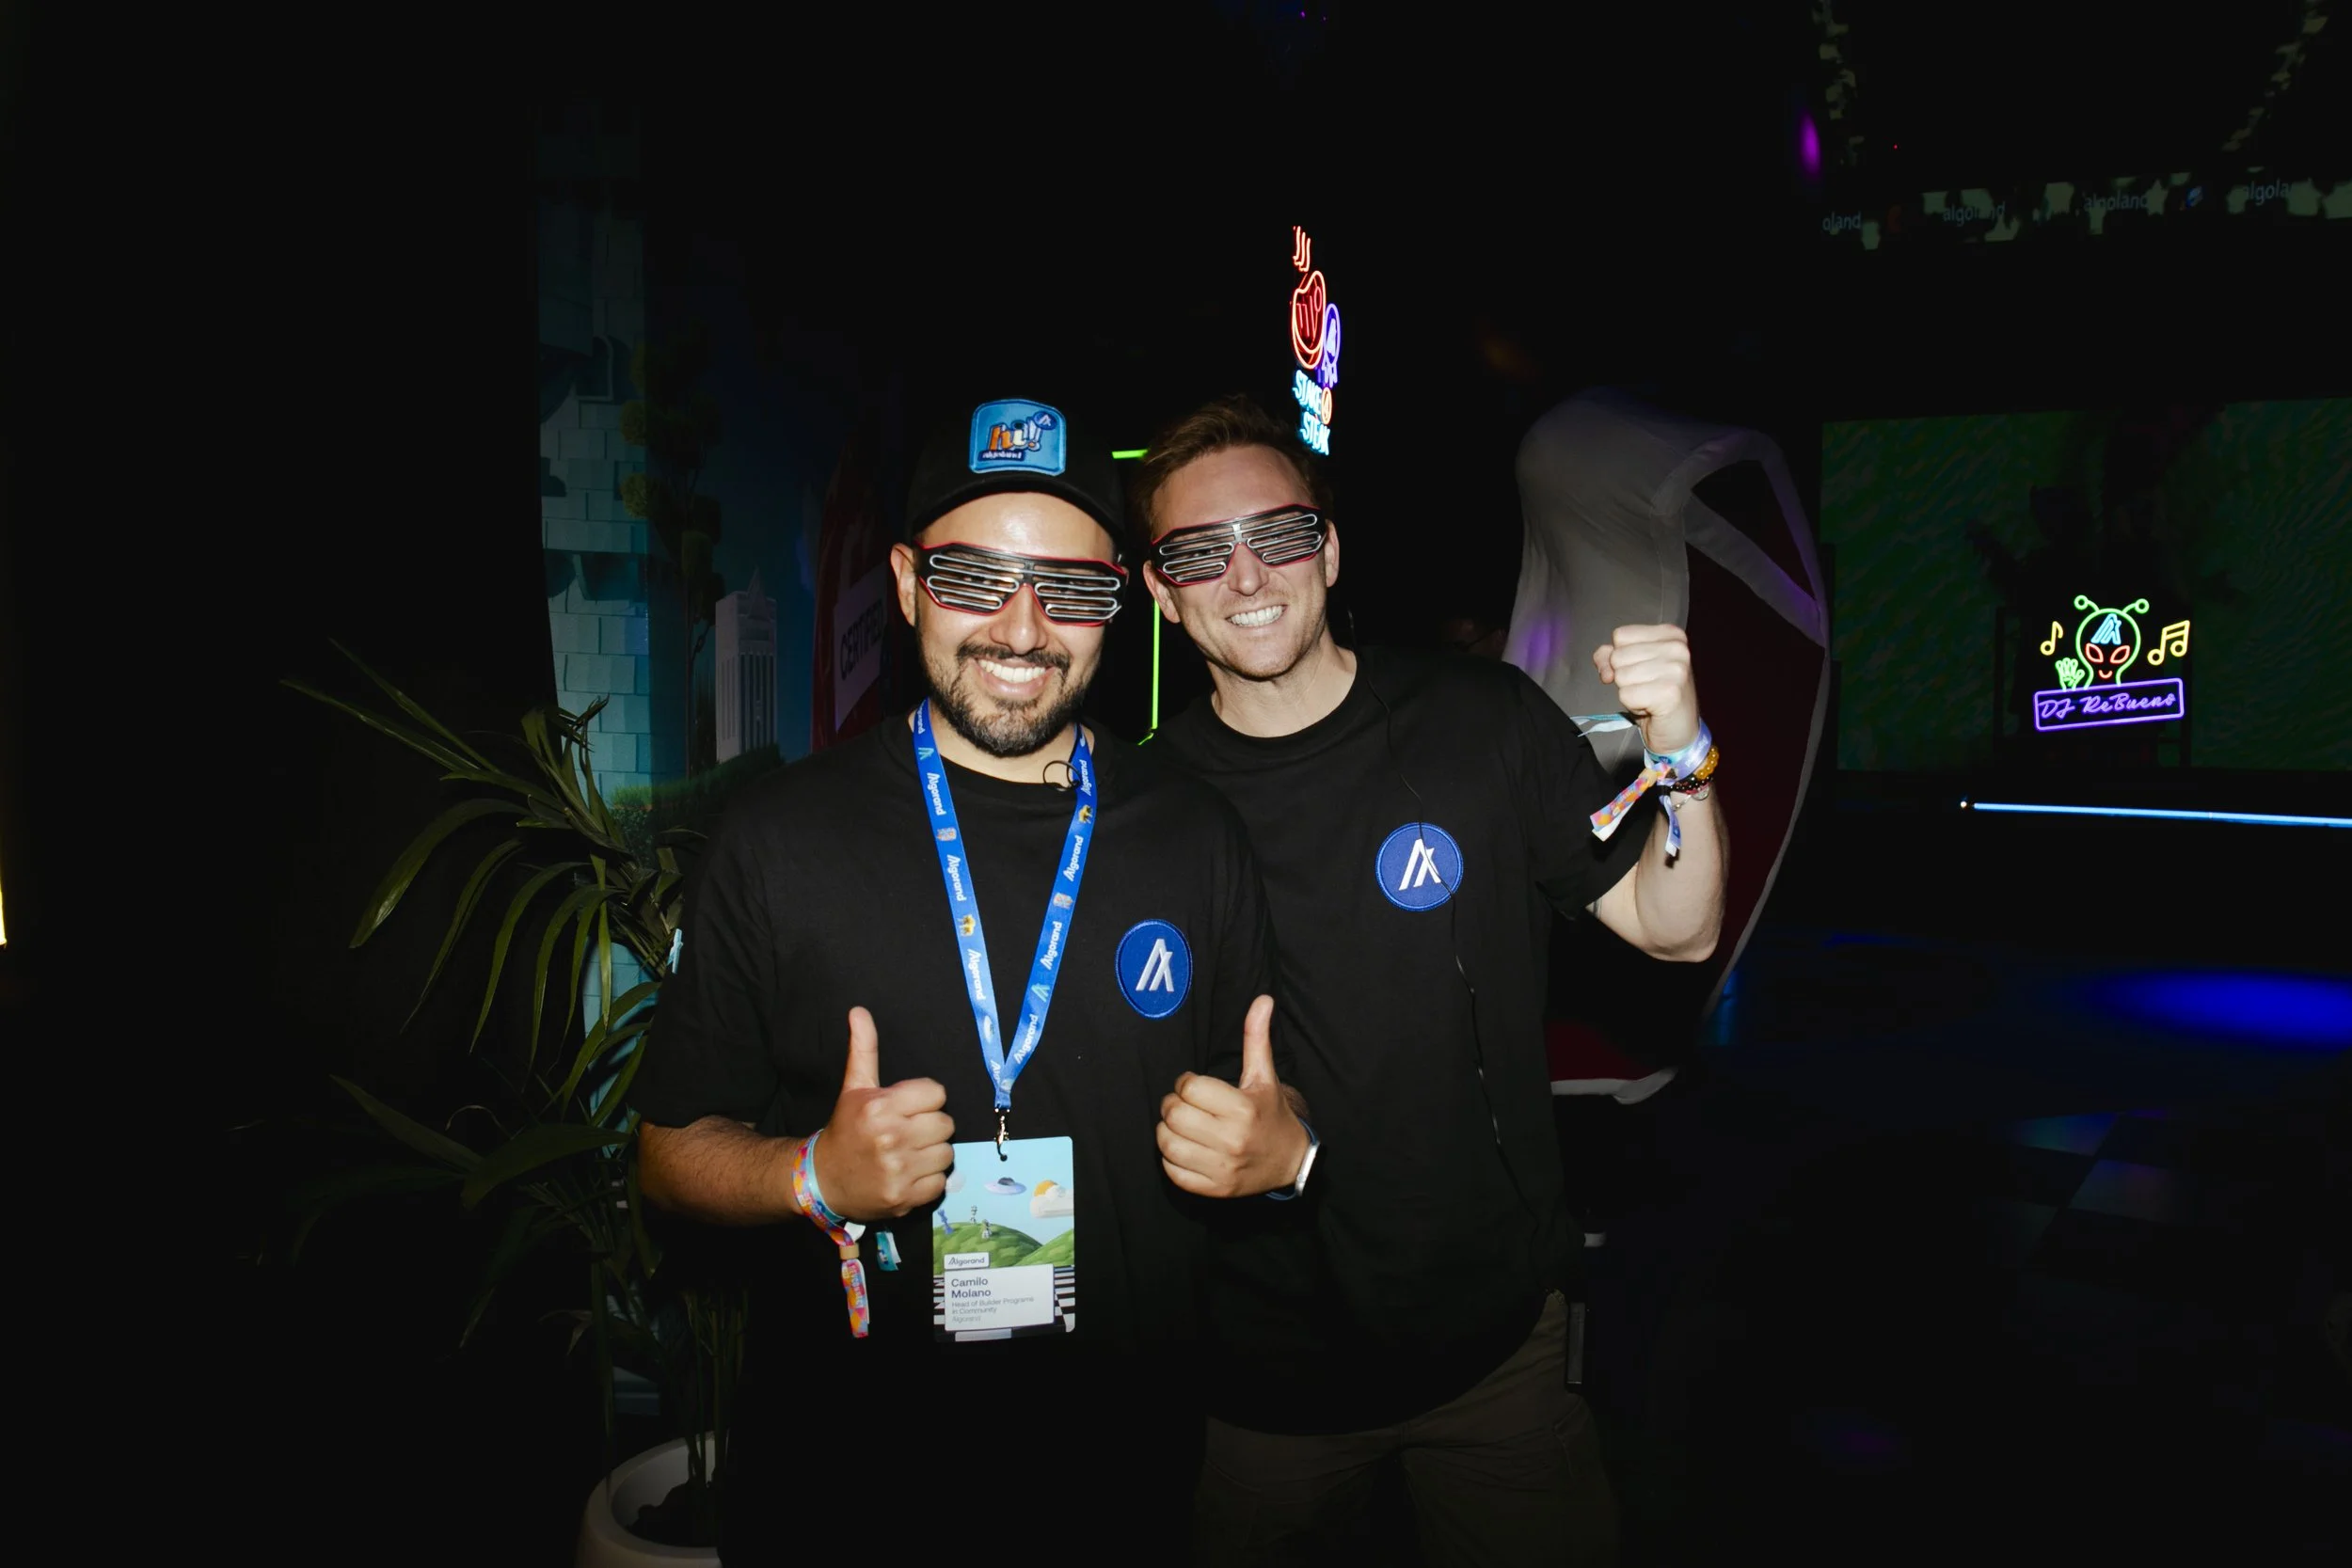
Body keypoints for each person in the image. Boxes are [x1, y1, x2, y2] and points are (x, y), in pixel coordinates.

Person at [632, 395, 1313, 1563]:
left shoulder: (1195, 833)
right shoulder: (779, 837)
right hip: (848, 1484)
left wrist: (1278, 1154)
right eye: (971, 577)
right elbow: (664, 1152)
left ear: (1119, 604)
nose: (1021, 624)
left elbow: (1273, 1107)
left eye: (1071, 587)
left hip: (1122, 1483)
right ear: (903, 583)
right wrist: (809, 1173)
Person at [1134, 395, 1728, 1566]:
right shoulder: (1139, 808)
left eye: (1279, 534)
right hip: (1260, 1379)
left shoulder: (1480, 718)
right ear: (1161, 591)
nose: (1246, 575)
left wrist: (1684, 752)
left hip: (1492, 1354)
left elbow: (1675, 929)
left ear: (1331, 547)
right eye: (1200, 552)